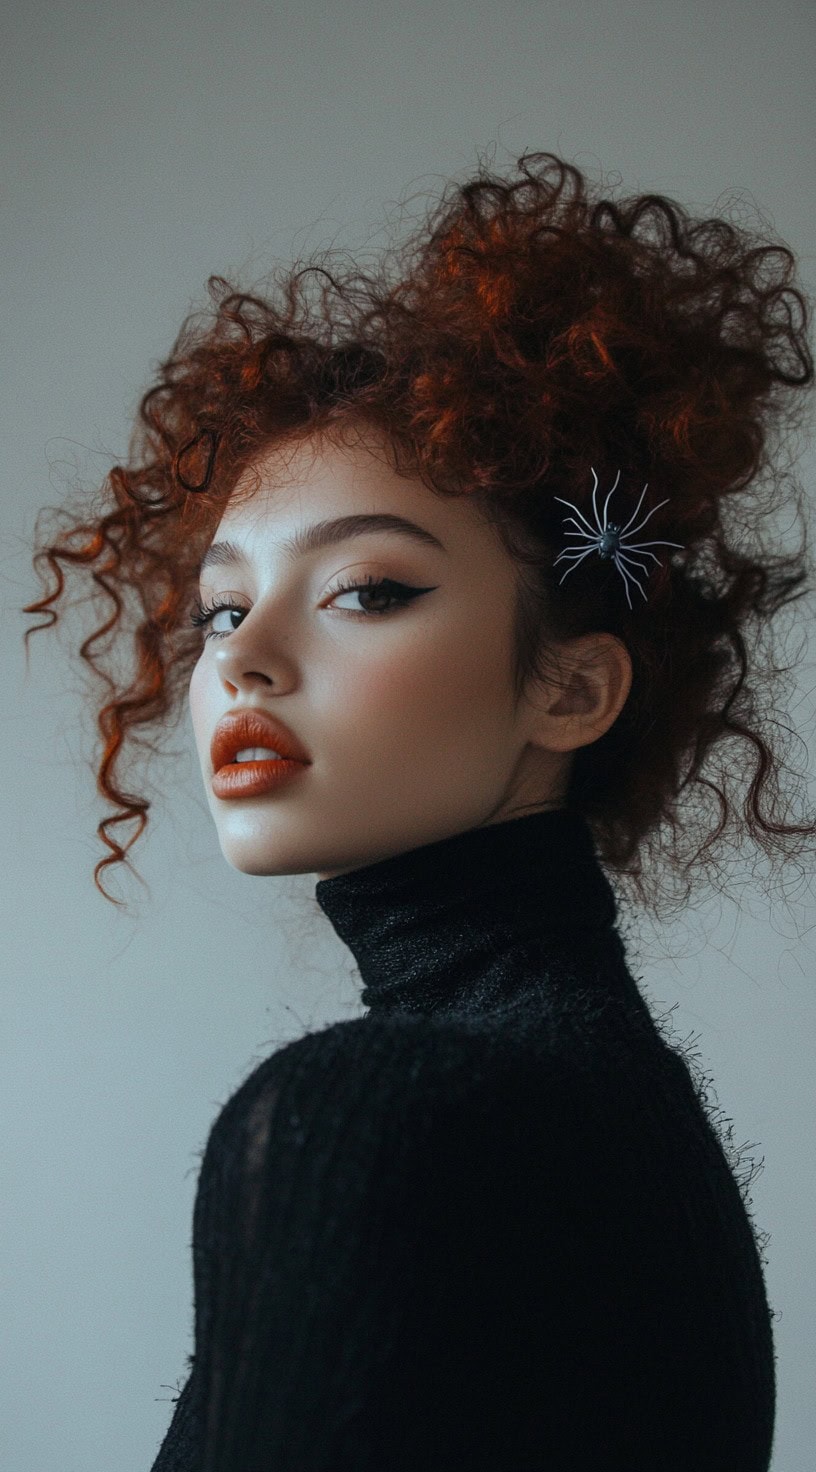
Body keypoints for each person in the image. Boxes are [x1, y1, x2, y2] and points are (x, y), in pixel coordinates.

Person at [23, 151, 815, 1470]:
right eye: (223, 606)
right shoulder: (623, 1112)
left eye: (369, 590)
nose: (246, 659)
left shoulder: (373, 1113)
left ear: (571, 685)